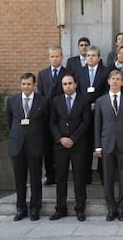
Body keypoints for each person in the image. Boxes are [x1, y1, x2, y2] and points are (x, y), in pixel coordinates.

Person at [6, 73, 49, 221]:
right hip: (17, 145)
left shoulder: (42, 101)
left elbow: (45, 124)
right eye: (23, 84)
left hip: (35, 145)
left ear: (34, 85)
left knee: (36, 179)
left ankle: (35, 209)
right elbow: (9, 122)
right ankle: (21, 208)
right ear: (21, 84)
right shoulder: (12, 100)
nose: (26, 87)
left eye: (29, 84)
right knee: (19, 179)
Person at [94, 70, 123, 221]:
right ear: (108, 81)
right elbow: (97, 125)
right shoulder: (100, 101)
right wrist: (97, 146)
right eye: (113, 79)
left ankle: (122, 208)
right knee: (108, 177)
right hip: (106, 144)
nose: (115, 81)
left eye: (119, 79)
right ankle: (111, 208)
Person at [49, 73, 91, 221]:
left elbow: (86, 122)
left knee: (79, 177)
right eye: (65, 84)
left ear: (75, 84)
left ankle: (80, 209)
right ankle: (60, 209)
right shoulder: (56, 101)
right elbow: (52, 122)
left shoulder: (84, 100)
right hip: (60, 146)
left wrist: (73, 139)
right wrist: (60, 138)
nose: (67, 86)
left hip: (78, 145)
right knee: (61, 178)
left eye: (70, 83)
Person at [76, 46, 110, 184]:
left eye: (93, 55)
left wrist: (98, 103)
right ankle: (86, 175)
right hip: (84, 114)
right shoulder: (79, 72)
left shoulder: (106, 71)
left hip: (100, 112)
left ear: (99, 58)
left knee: (100, 144)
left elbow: (107, 90)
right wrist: (84, 105)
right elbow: (77, 91)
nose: (90, 57)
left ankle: (103, 175)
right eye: (88, 55)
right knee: (85, 145)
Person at [37, 45, 66, 185]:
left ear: (62, 56)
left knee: (59, 146)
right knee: (47, 146)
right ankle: (49, 175)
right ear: (49, 57)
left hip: (62, 114)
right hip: (47, 114)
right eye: (52, 56)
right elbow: (41, 95)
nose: (54, 59)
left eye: (57, 56)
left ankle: (61, 175)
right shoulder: (42, 74)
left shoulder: (68, 72)